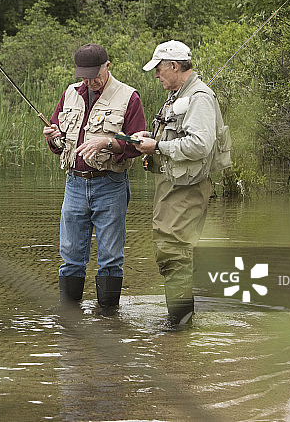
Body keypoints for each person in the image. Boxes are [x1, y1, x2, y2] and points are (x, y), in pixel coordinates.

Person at [134, 40, 231, 327]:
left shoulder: (200, 97)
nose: (156, 75)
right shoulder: (178, 95)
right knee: (171, 248)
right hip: (174, 184)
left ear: (174, 66)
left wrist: (158, 147)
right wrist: (149, 140)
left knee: (174, 250)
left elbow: (200, 145)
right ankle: (179, 322)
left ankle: (179, 324)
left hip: (187, 187)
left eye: (159, 69)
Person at [43, 43, 146, 313]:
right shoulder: (69, 95)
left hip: (110, 185)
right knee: (70, 258)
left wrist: (108, 143)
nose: (90, 81)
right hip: (74, 184)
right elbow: (58, 144)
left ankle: (109, 322)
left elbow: (137, 143)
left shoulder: (129, 97)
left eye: (94, 75)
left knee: (111, 258)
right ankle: (69, 321)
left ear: (107, 66)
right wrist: (53, 139)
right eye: (84, 76)